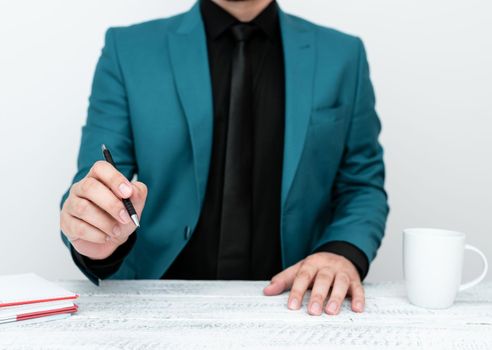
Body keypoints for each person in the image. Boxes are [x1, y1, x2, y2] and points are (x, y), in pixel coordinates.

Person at [60, 0, 389, 316]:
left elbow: (362, 185)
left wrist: (342, 251)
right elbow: (95, 179)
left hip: (298, 304)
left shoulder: (343, 55)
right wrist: (94, 233)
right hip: (157, 302)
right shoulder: (127, 49)